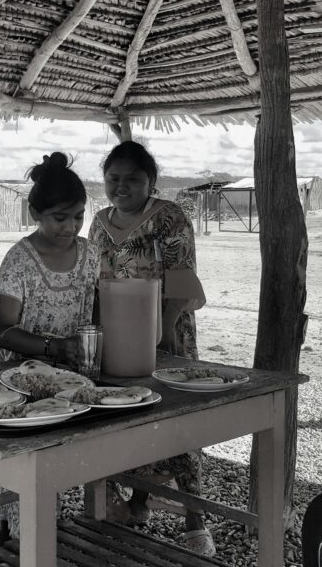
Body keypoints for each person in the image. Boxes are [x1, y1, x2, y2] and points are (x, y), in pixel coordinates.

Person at [88, 140, 212, 556]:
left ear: (151, 182)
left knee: (177, 420)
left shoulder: (169, 217)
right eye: (113, 179)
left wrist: (159, 329)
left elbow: (181, 279)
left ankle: (196, 519)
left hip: (167, 332)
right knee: (132, 413)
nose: (121, 187)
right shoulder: (98, 222)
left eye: (133, 180)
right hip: (116, 336)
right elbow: (94, 278)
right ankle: (138, 504)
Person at [0, 152, 99, 539]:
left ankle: (41, 534)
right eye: (59, 217)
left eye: (78, 216)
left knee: (66, 460)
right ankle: (22, 537)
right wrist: (55, 348)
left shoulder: (91, 254)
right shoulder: (20, 259)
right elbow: (2, 331)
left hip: (73, 379)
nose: (71, 227)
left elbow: (96, 312)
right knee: (28, 466)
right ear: (35, 212)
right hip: (22, 383)